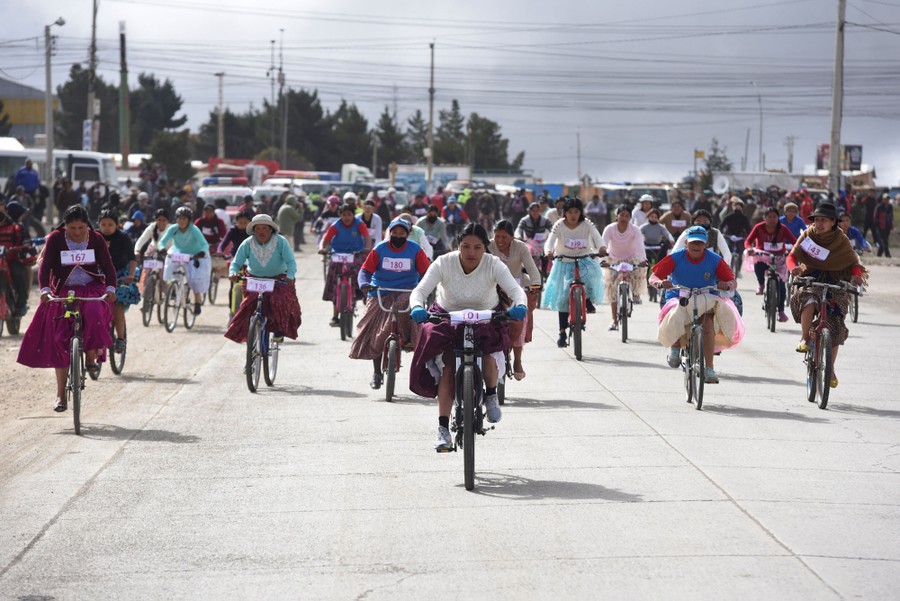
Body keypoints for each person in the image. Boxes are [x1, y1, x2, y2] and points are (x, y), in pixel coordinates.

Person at [407, 223, 527, 450]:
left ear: (485, 248)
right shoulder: (444, 262)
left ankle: (491, 395)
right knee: (448, 369)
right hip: (448, 318)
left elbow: (515, 291)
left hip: (486, 317)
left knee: (490, 356)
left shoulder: (494, 264)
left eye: (477, 247)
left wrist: (520, 305)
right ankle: (443, 429)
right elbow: (420, 291)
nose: (471, 252)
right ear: (457, 246)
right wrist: (416, 306)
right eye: (465, 246)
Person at [16, 205, 116, 412]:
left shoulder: (96, 239)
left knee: (95, 312)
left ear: (87, 226)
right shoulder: (55, 239)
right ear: (65, 226)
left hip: (91, 287)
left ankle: (90, 355)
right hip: (64, 289)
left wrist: (111, 287)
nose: (77, 232)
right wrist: (44, 289)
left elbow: (108, 266)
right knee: (59, 337)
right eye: (72, 228)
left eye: (81, 228)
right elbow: (45, 267)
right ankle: (61, 395)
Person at [649, 226, 743, 384]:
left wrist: (726, 285)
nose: (696, 246)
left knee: (708, 326)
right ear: (686, 242)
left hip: (706, 297)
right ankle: (675, 346)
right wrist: (659, 283)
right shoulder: (675, 257)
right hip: (679, 296)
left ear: (706, 244)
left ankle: (709, 368)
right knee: (675, 313)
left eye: (700, 243)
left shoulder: (714, 259)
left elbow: (732, 281)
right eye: (693, 243)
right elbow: (654, 277)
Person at [787, 202, 867, 388]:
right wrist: (794, 269)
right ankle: (805, 338)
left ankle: (829, 369)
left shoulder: (842, 240)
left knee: (835, 325)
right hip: (810, 276)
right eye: (816, 220)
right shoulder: (808, 235)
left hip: (835, 279)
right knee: (808, 298)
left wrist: (856, 276)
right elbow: (792, 256)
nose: (819, 224)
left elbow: (852, 263)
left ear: (833, 222)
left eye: (824, 220)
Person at [352, 217, 431, 389]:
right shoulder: (380, 249)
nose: (398, 235)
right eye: (394, 232)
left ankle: (411, 341)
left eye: (402, 233)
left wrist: (423, 288)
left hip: (407, 291)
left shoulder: (415, 250)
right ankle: (376, 372)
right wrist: (364, 284)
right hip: (380, 290)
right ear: (389, 233)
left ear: (407, 234)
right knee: (372, 328)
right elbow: (365, 271)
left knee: (414, 311)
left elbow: (427, 272)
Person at [224, 214, 301, 344]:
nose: (261, 232)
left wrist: (290, 276)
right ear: (253, 230)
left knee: (281, 301)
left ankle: (278, 330)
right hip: (254, 278)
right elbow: (236, 262)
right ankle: (250, 345)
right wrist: (233, 272)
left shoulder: (280, 241)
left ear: (271, 229)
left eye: (265, 228)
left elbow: (291, 262)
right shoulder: (247, 243)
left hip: (278, 279)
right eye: (258, 228)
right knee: (246, 307)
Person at [542, 198, 607, 348]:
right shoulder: (559, 225)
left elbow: (597, 237)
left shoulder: (587, 224)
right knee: (564, 297)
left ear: (580, 213)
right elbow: (550, 241)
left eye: (576, 212)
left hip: (584, 260)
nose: (573, 215)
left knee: (592, 276)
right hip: (564, 262)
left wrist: (602, 247)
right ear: (564, 213)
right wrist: (549, 251)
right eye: (570, 212)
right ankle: (562, 332)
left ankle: (587, 299)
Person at [489, 220, 541, 380]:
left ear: (512, 237)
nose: (500, 241)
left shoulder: (520, 247)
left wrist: (536, 283)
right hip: (492, 290)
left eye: (504, 237)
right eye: (497, 236)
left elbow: (531, 268)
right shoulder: (488, 247)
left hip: (516, 291)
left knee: (520, 319)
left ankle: (517, 361)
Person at [319, 203, 370, 326]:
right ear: (340, 215)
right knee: (333, 279)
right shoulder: (336, 225)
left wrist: (367, 247)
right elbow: (325, 239)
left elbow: (367, 238)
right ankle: (335, 316)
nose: (346, 217)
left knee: (360, 273)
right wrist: (322, 248)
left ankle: (361, 293)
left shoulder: (360, 224)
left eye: (349, 214)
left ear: (353, 215)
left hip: (355, 254)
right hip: (338, 255)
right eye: (344, 215)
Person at [745, 207, 796, 322]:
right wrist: (749, 248)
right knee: (758, 263)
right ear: (765, 218)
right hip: (763, 256)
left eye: (774, 217)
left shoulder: (783, 229)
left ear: (778, 218)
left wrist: (795, 250)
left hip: (779, 259)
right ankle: (761, 284)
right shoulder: (759, 227)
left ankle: (781, 311)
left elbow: (794, 241)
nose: (772, 219)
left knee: (782, 286)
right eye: (769, 217)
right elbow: (748, 241)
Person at [157, 206, 211, 316]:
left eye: (184, 219)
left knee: (195, 280)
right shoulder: (173, 229)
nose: (182, 221)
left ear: (189, 220)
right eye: (179, 218)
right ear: (176, 219)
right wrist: (161, 249)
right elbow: (161, 242)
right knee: (169, 265)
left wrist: (201, 253)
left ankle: (197, 302)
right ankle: (172, 286)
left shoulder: (194, 229)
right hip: (179, 253)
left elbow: (204, 244)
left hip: (194, 254)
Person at [601, 205, 648, 330]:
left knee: (640, 269)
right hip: (613, 259)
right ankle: (613, 319)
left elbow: (640, 246)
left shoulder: (635, 230)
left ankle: (636, 293)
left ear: (630, 218)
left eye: (627, 216)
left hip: (631, 258)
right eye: (621, 215)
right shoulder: (609, 229)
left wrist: (643, 260)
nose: (624, 218)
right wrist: (603, 260)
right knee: (612, 287)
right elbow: (603, 245)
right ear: (616, 216)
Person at [98, 210, 138, 351]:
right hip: (99, 274)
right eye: (103, 224)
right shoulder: (94, 237)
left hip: (120, 273)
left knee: (117, 304)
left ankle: (120, 338)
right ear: (99, 225)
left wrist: (131, 275)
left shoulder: (123, 237)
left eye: (110, 224)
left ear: (116, 225)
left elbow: (132, 259)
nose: (106, 227)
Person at [0, 201, 30, 316]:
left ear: (6, 212)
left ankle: (21, 304)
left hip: (11, 260)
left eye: (1, 211)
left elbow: (24, 239)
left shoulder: (15, 227)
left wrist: (23, 245)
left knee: (19, 274)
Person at [515, 202, 554, 278]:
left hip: (542, 242)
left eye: (537, 210)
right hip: (529, 242)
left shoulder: (545, 220)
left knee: (545, 254)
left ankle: (544, 271)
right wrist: (518, 236)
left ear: (540, 211)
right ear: (529, 211)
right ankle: (527, 270)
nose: (535, 212)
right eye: (533, 210)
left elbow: (552, 229)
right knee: (528, 254)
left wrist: (553, 236)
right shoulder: (524, 220)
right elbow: (519, 229)